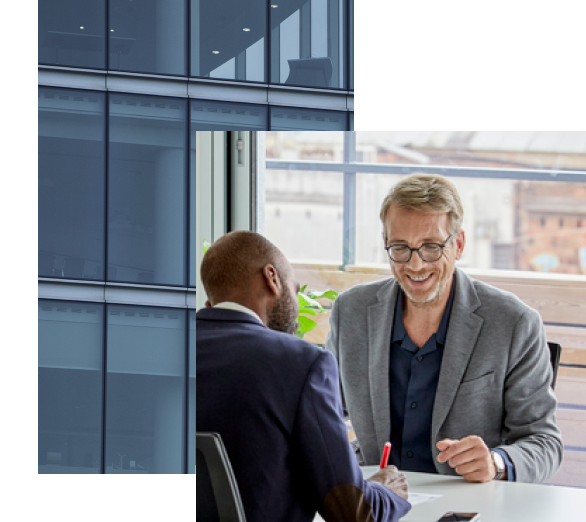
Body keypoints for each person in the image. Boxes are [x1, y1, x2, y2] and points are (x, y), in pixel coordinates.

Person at [326, 174, 563, 484]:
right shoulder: (351, 312)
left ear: (459, 244)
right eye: (400, 248)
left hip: (468, 502)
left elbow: (544, 442)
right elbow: (322, 411)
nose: (415, 265)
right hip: (377, 499)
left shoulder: (514, 323)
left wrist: (496, 462)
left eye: (431, 247)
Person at [197, 231, 412, 522]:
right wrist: (388, 491)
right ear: (272, 279)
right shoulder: (301, 362)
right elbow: (353, 513)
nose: (297, 306)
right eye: (294, 288)